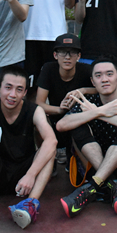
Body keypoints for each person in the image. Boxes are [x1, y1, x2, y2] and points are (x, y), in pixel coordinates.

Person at [56, 56, 117, 218]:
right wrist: (98, 111)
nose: (104, 79)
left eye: (109, 74)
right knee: (76, 124)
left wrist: (103, 115)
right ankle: (111, 184)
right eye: (98, 75)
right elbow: (61, 125)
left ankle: (91, 187)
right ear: (92, 81)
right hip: (93, 165)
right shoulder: (87, 102)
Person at [0, 66, 57, 231]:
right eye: (8, 87)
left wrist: (31, 175)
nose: (12, 94)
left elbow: (51, 140)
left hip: (25, 176)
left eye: (19, 89)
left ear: (25, 93)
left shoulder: (34, 110)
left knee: (49, 149)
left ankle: (30, 203)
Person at [35, 33, 95, 169]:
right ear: (55, 55)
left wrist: (83, 90)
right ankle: (48, 159)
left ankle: (75, 158)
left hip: (79, 120)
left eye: (72, 53)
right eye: (63, 52)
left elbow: (103, 90)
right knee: (37, 118)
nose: (67, 57)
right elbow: (39, 103)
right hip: (56, 119)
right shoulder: (48, 69)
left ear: (79, 56)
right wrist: (60, 109)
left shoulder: (86, 70)